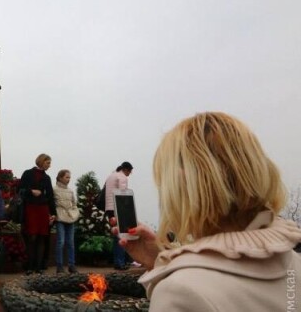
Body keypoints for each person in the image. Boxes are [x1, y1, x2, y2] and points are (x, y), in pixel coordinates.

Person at [111, 112, 301, 311]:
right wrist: (161, 262)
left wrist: (176, 275)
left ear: (184, 183)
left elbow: (198, 289)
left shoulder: (179, 292)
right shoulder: (293, 263)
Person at [19, 153, 56, 275]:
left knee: (41, 237)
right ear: (41, 161)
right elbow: (19, 189)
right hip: (30, 208)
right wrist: (31, 191)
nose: (49, 165)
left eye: (49, 163)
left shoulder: (47, 178)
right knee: (32, 236)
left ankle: (39, 267)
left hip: (43, 209)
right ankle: (30, 266)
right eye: (48, 162)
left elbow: (50, 196)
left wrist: (53, 213)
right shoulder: (27, 173)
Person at [104, 161, 133, 270]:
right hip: (118, 208)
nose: (129, 174)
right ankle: (120, 263)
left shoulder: (111, 176)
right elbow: (123, 194)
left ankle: (117, 261)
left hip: (109, 209)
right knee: (122, 236)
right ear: (126, 169)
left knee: (115, 234)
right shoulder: (122, 177)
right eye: (130, 171)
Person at [53, 169, 79, 274]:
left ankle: (71, 265)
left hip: (70, 218)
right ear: (60, 177)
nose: (68, 179)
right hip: (60, 217)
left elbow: (74, 203)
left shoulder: (70, 191)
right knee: (61, 242)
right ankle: (59, 266)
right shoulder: (54, 189)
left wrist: (74, 213)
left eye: (69, 177)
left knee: (71, 243)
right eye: (66, 177)